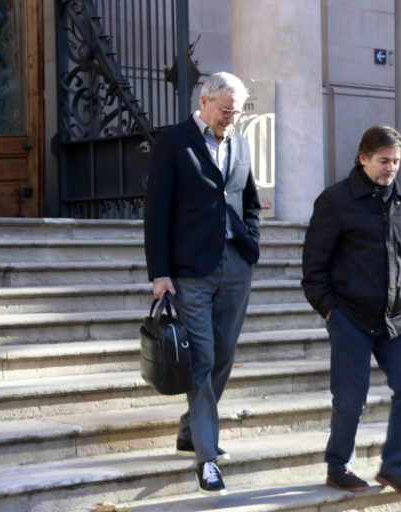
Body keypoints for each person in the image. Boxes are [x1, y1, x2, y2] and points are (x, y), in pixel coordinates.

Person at [143, 71, 261, 496]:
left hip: (235, 264)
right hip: (190, 269)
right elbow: (156, 210)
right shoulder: (174, 141)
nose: (231, 118)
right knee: (202, 358)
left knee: (224, 354)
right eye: (226, 110)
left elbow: (248, 201)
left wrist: (251, 242)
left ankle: (190, 428)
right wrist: (159, 272)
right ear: (204, 102)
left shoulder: (240, 143)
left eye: (238, 112)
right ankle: (206, 458)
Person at [301, 125, 401, 505]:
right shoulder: (335, 201)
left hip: (398, 317)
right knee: (350, 398)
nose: (391, 168)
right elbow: (314, 266)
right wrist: (331, 311)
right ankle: (338, 465)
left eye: (396, 161)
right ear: (363, 159)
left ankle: (396, 467)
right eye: (384, 160)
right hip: (351, 317)